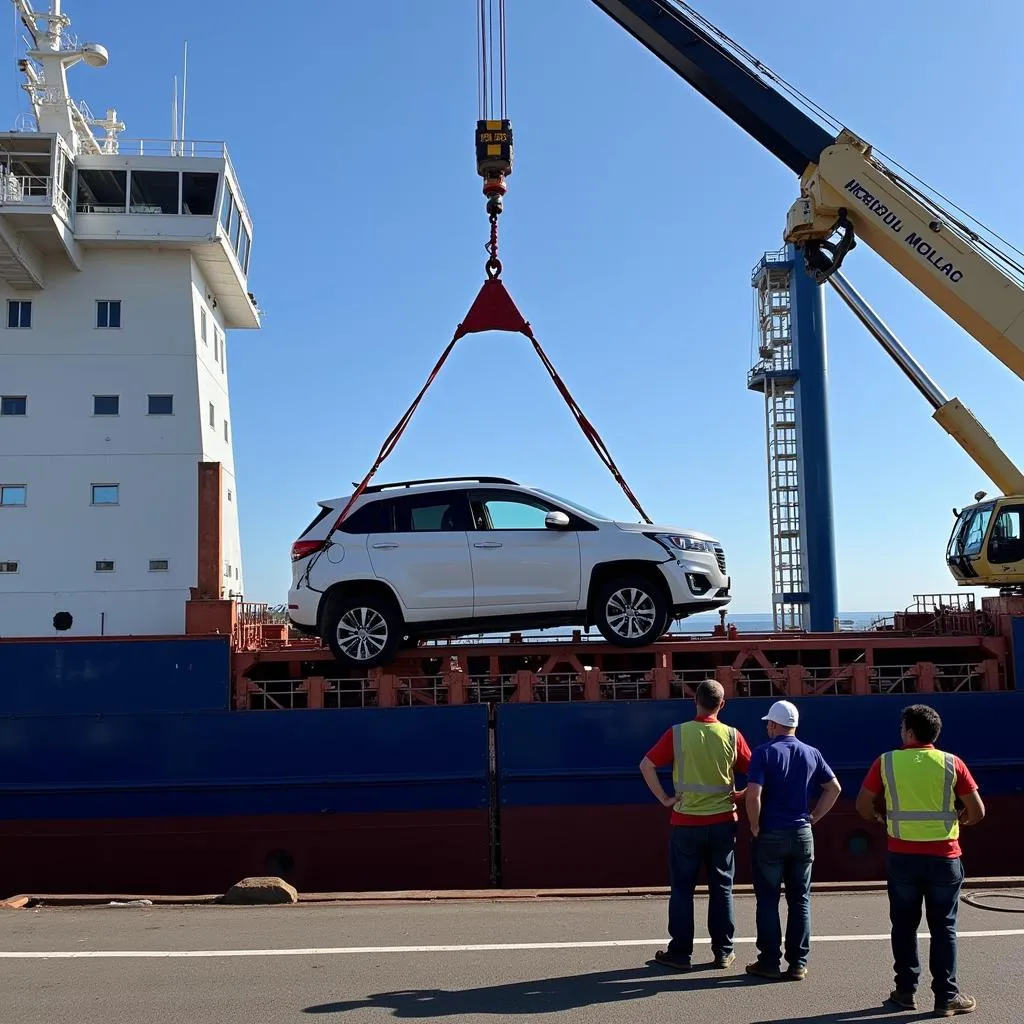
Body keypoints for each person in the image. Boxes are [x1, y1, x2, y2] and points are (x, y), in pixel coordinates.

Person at [855, 703, 985, 1017]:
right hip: (944, 857)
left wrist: (881, 819)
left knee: (903, 927)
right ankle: (946, 998)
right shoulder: (952, 764)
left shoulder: (886, 762)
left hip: (902, 857)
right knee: (944, 928)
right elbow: (978, 811)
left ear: (910, 732)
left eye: (903, 729)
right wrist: (959, 820)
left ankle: (904, 992)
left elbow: (862, 806)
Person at [640, 678, 751, 970]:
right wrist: (740, 795)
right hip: (723, 823)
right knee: (722, 888)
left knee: (682, 890)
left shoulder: (678, 734)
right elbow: (757, 774)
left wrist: (665, 798)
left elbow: (646, 765)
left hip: (686, 822)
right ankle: (724, 952)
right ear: (722, 704)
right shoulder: (732, 735)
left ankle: (680, 953)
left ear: (695, 701)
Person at [744, 699, 842, 982]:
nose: (767, 728)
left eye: (768, 724)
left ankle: (769, 962)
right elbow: (834, 788)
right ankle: (798, 963)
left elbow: (753, 795)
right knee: (800, 900)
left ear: (774, 725)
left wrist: (754, 825)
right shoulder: (812, 753)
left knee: (767, 900)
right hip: (802, 834)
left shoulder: (763, 753)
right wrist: (813, 818)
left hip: (771, 834)